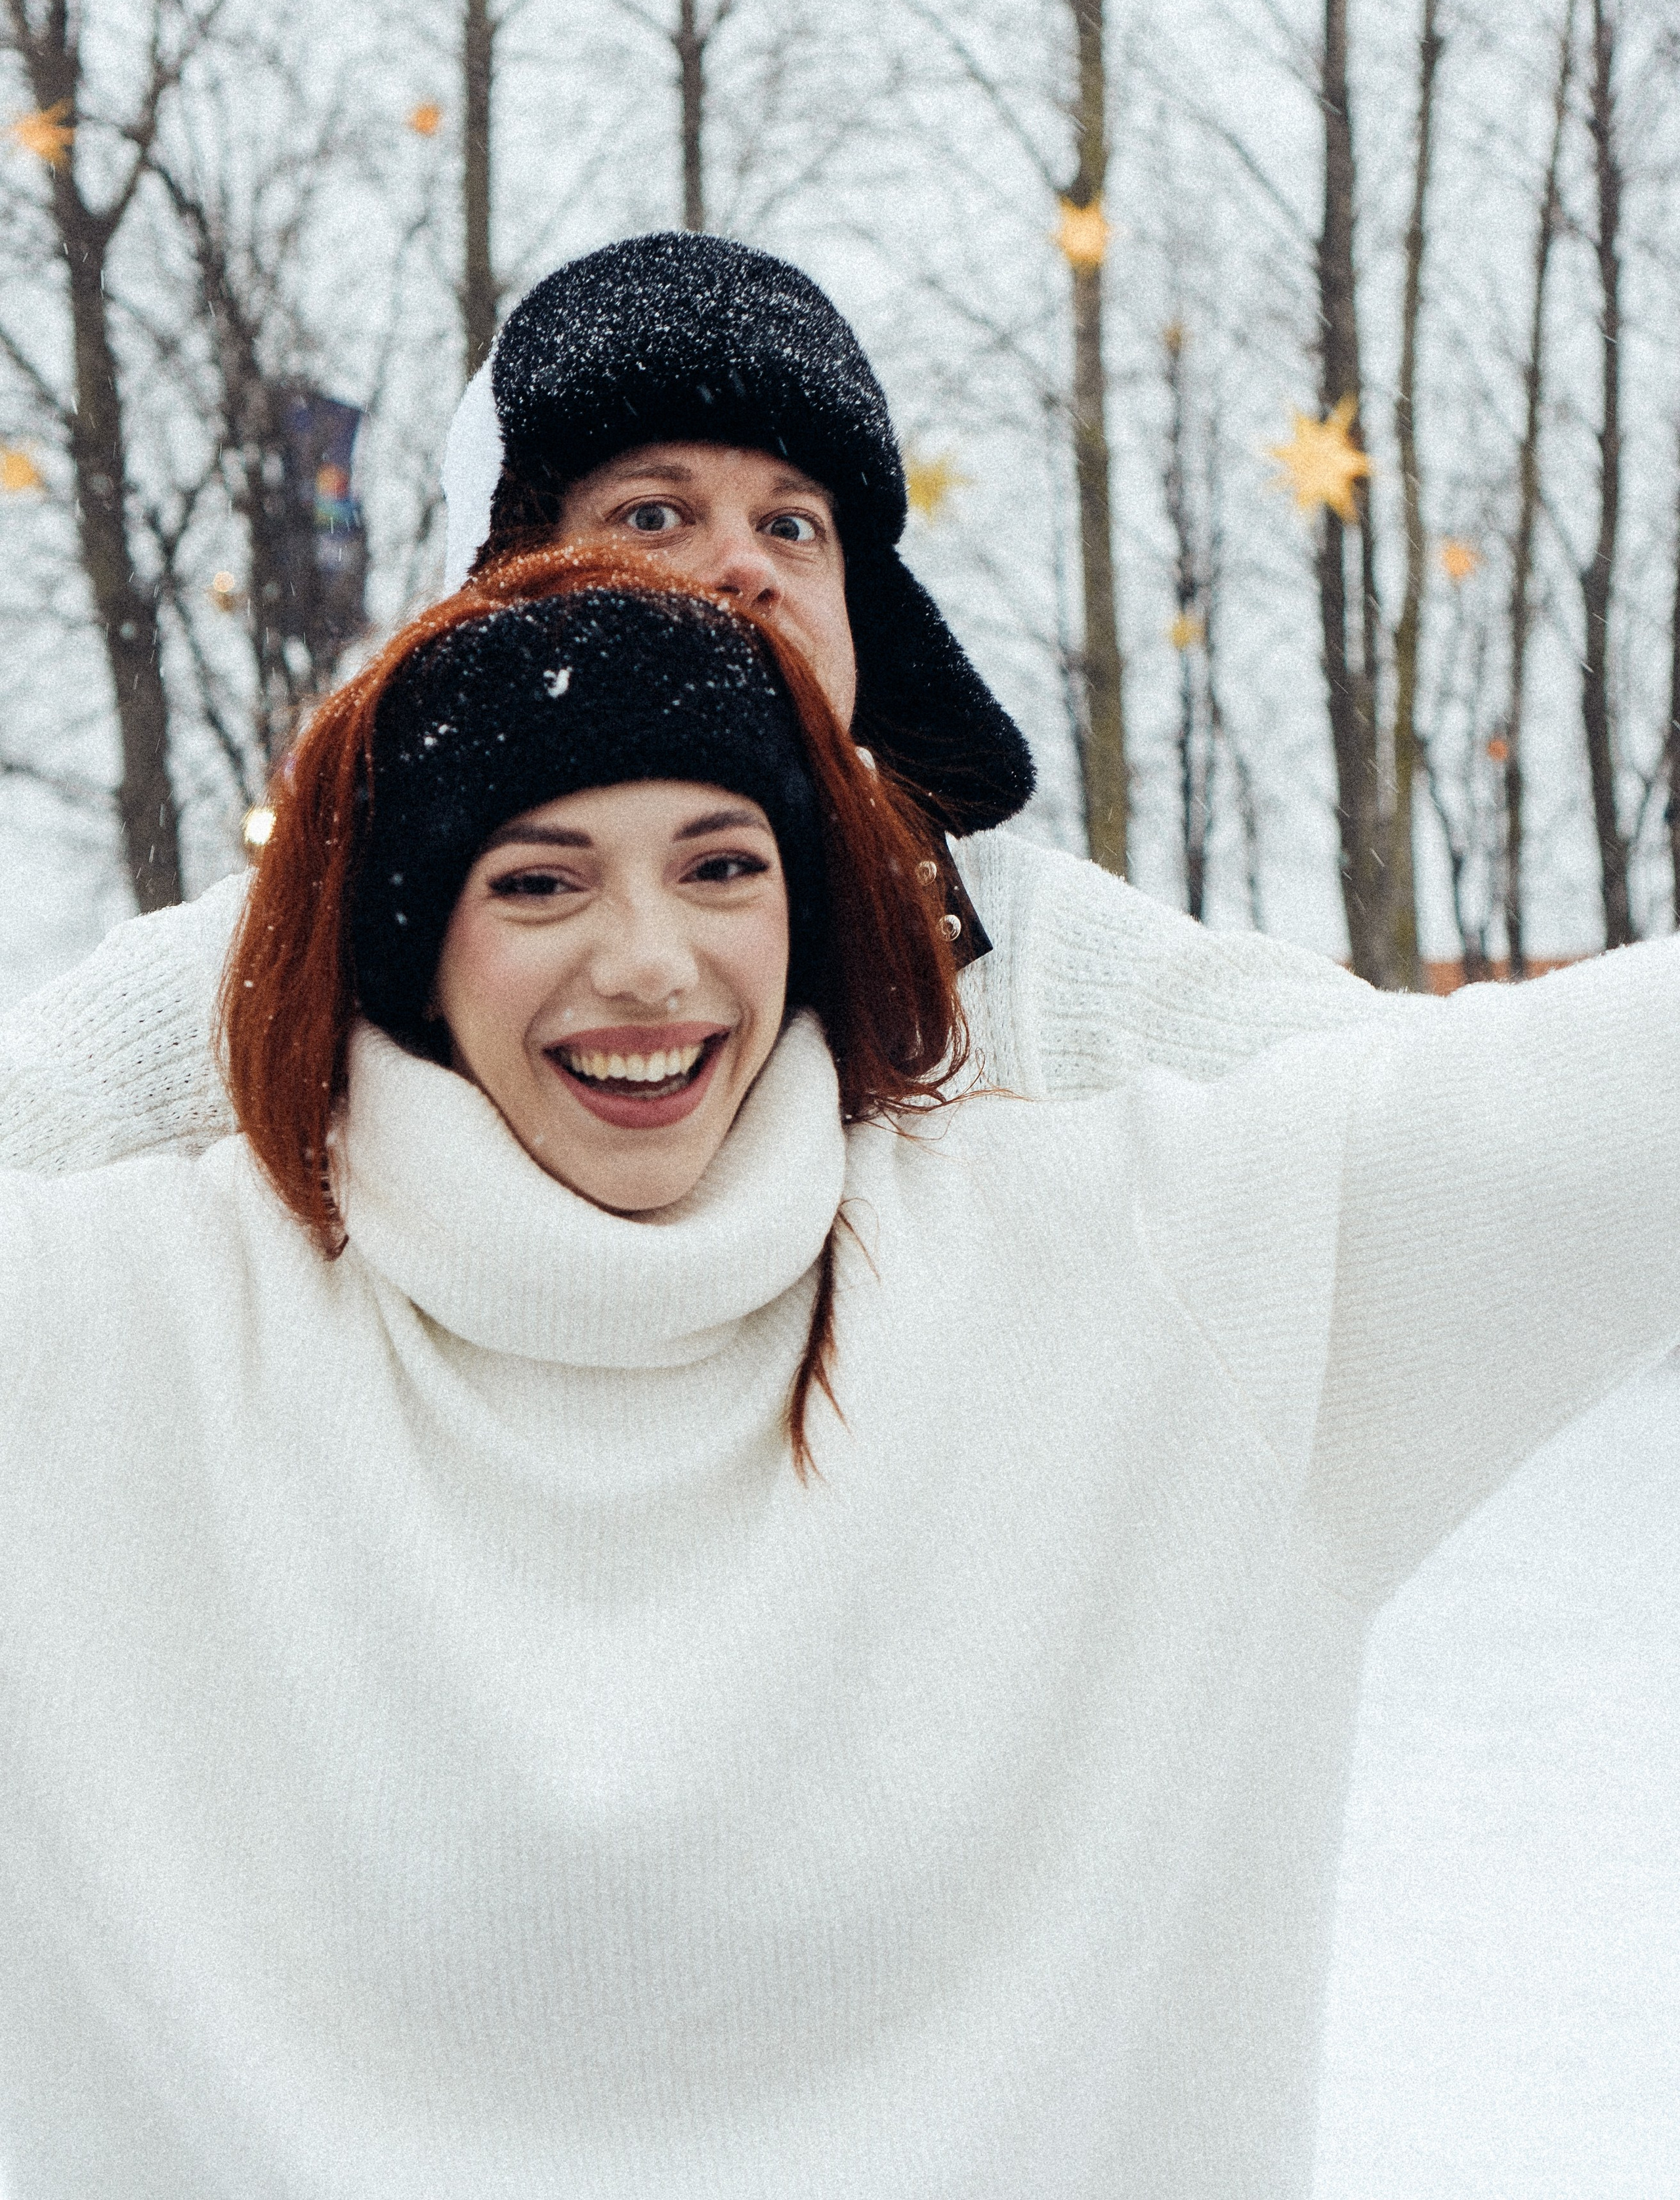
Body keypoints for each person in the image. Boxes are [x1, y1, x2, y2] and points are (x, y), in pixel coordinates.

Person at [2, 544, 1677, 2197]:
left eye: (722, 866)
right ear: (406, 941)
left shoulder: (1142, 1270)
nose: (648, 959)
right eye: (538, 882)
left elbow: (1590, 1107)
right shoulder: (118, 1336)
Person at [0, 229, 1400, 1183]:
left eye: (794, 525)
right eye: (656, 513)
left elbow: (1421, 1120)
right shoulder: (299, 950)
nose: (745, 565)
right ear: (507, 590)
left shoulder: (1015, 949)